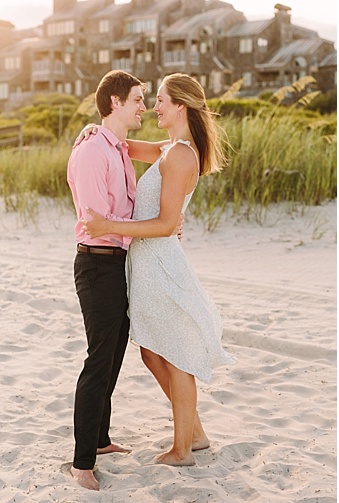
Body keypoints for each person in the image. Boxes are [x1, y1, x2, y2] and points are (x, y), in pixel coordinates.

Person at [82, 72, 236, 467]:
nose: (155, 106)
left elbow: (167, 224)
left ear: (180, 106)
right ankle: (195, 431)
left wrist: (108, 226)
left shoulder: (182, 154)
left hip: (160, 262)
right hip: (145, 262)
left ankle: (183, 448)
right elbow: (125, 144)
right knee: (152, 352)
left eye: (162, 99)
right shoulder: (170, 149)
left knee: (175, 354)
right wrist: (94, 130)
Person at [66, 70, 148, 490]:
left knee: (114, 354)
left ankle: (99, 440)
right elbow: (98, 225)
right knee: (98, 360)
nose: (144, 107)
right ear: (114, 101)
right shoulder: (93, 152)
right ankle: (81, 463)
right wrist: (156, 226)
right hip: (97, 264)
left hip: (117, 262)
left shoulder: (117, 147)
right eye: (137, 99)